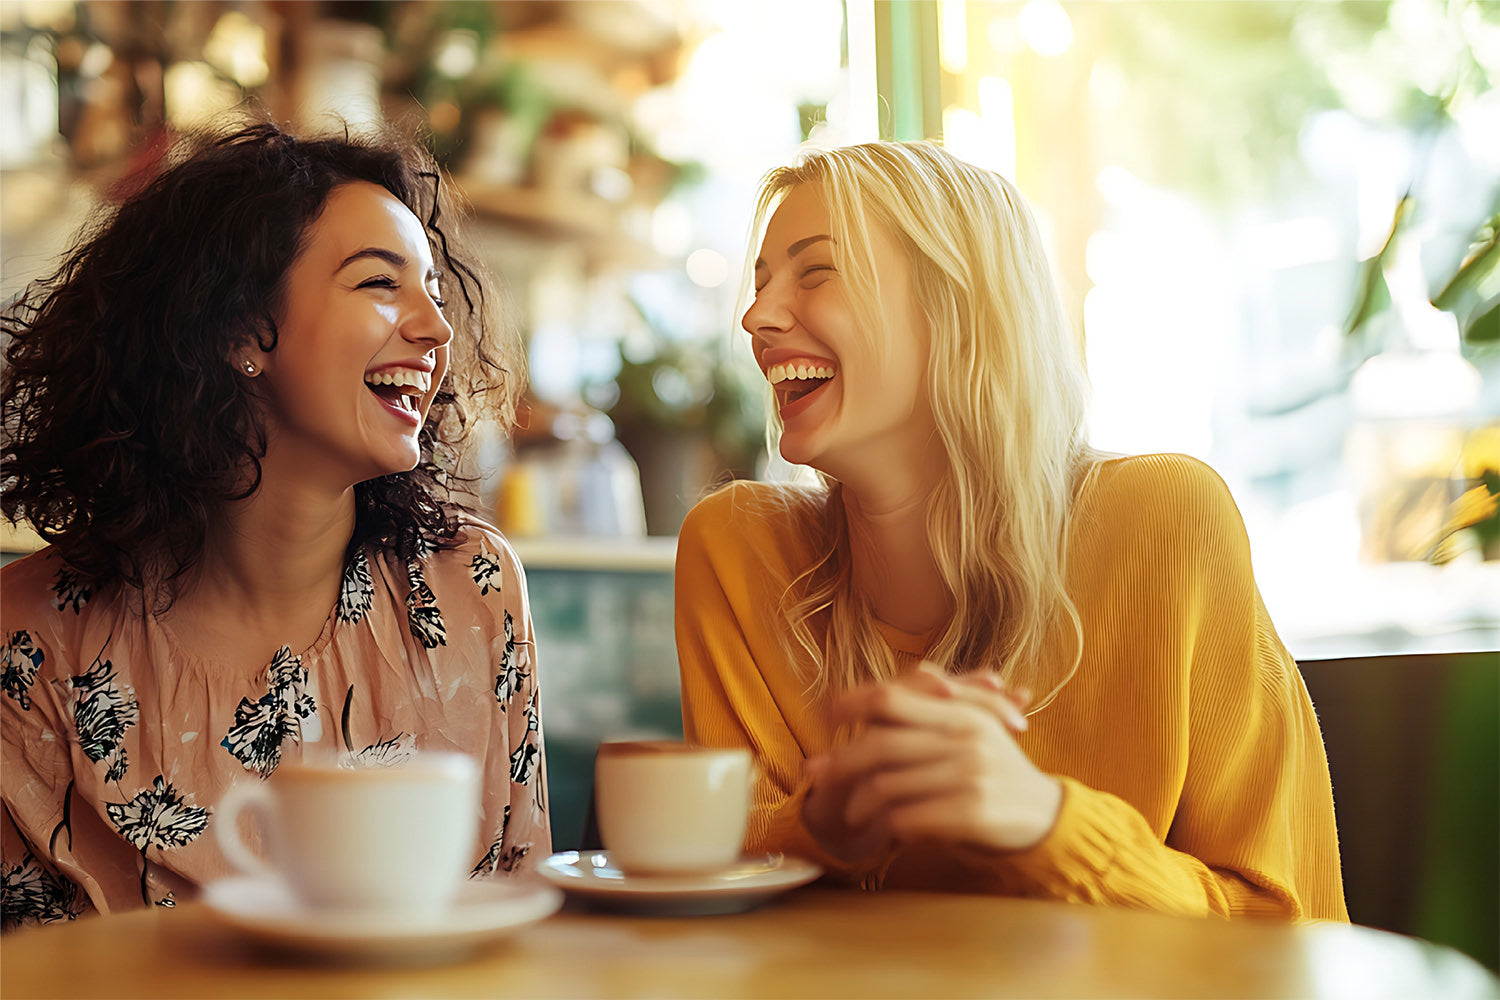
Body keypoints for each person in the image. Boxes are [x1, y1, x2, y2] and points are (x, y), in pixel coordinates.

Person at [674, 141, 1347, 920]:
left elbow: (1286, 931)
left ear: (956, 304)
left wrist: (1046, 823)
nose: (756, 316)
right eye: (759, 285)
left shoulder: (1166, 518)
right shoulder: (736, 552)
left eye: (815, 271)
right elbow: (719, 902)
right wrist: (819, 830)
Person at [0, 120, 548, 928]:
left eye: (433, 290)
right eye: (379, 284)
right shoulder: (32, 639)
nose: (437, 330)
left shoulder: (476, 589)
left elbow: (525, 914)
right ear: (238, 332)